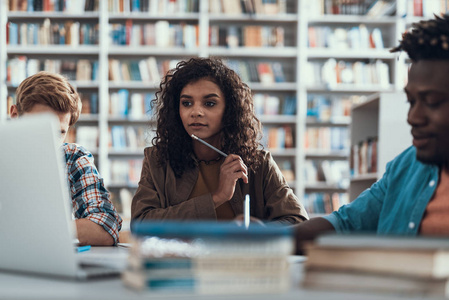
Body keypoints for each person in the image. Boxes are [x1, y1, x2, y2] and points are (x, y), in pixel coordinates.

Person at [295, 15, 449, 252]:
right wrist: (267, 238)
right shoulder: (405, 167)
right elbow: (344, 225)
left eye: (432, 102)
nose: (413, 117)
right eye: (411, 101)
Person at [131, 57, 308, 225]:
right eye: (186, 103)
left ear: (229, 110)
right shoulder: (158, 159)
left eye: (209, 104)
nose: (196, 112)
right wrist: (217, 197)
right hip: (180, 257)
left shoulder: (258, 163)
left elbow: (297, 221)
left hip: (239, 257)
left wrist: (259, 230)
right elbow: (141, 223)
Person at [10, 71, 122, 246]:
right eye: (41, 128)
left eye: (59, 133)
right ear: (15, 115)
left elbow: (106, 227)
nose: (48, 142)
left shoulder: (73, 159)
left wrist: (33, 231)